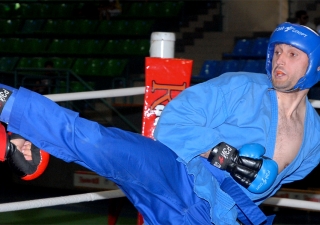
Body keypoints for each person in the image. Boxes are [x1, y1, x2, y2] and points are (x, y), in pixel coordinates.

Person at [1, 22, 320, 225]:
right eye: (278, 51)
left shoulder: (313, 141)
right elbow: (173, 122)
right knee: (99, 143)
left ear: (315, 65)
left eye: (293, 55)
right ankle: (8, 101)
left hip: (214, 218)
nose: (280, 60)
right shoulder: (241, 87)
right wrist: (219, 152)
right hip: (177, 175)